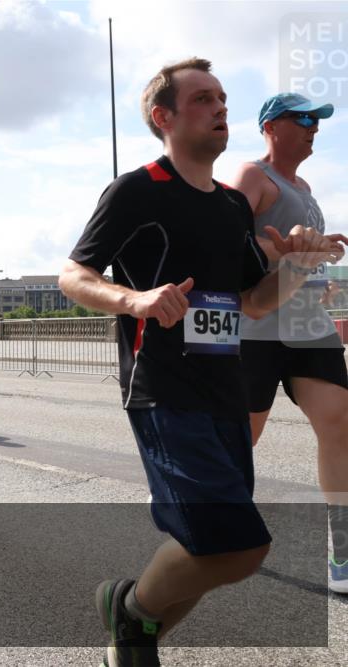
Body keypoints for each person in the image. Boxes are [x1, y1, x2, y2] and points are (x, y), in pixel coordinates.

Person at [58, 58, 344, 666]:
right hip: (163, 390)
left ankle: (136, 638)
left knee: (213, 549)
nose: (220, 108)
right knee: (235, 547)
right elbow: (73, 274)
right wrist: (133, 298)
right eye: (203, 100)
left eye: (222, 98)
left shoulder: (231, 208)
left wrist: (295, 267)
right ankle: (130, 608)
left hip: (224, 387)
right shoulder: (137, 190)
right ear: (164, 117)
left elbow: (252, 303)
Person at [232, 92, 348, 594]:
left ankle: (341, 551)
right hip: (256, 330)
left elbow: (295, 260)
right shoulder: (253, 176)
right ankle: (217, 532)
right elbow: (223, 237)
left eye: (317, 121)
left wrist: (318, 260)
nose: (313, 127)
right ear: (271, 127)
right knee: (242, 442)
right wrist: (287, 248)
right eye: (302, 119)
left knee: (340, 423)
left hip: (308, 326)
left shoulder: (306, 188)